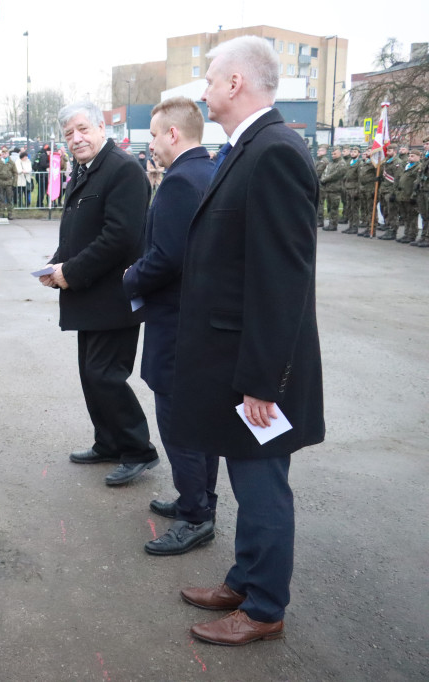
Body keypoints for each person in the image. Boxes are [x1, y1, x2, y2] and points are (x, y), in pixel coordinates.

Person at [175, 35, 324, 646]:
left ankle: (263, 608)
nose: (204, 90)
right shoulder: (249, 148)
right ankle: (245, 577)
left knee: (262, 482)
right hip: (235, 359)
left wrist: (265, 381)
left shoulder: (275, 152)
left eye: (210, 78)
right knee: (246, 475)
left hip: (260, 372)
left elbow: (282, 279)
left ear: (235, 83)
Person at [38, 100, 158, 486]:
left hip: (113, 296)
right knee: (91, 375)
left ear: (101, 127)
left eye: (82, 129)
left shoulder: (122, 170)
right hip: (89, 295)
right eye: (69, 134)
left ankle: (138, 449)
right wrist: (56, 263)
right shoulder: (87, 170)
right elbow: (80, 230)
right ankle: (108, 442)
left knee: (106, 375)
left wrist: (70, 272)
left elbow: (119, 237)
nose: (76, 139)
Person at [122, 97, 216, 556]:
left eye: (155, 136)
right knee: (197, 423)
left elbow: (168, 257)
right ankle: (198, 500)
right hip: (198, 323)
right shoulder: (208, 171)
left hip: (177, 325)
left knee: (180, 425)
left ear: (173, 134)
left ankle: (196, 516)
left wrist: (130, 277)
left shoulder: (181, 181)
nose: (152, 145)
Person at [320, 147, 347, 231]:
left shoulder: (342, 163)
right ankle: (331, 223)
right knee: (329, 207)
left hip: (336, 189)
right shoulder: (331, 163)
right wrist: (323, 178)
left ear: (339, 154)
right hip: (328, 188)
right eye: (332, 154)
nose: (333, 155)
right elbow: (325, 172)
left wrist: (325, 179)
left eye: (335, 154)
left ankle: (333, 225)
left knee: (334, 208)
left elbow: (336, 175)